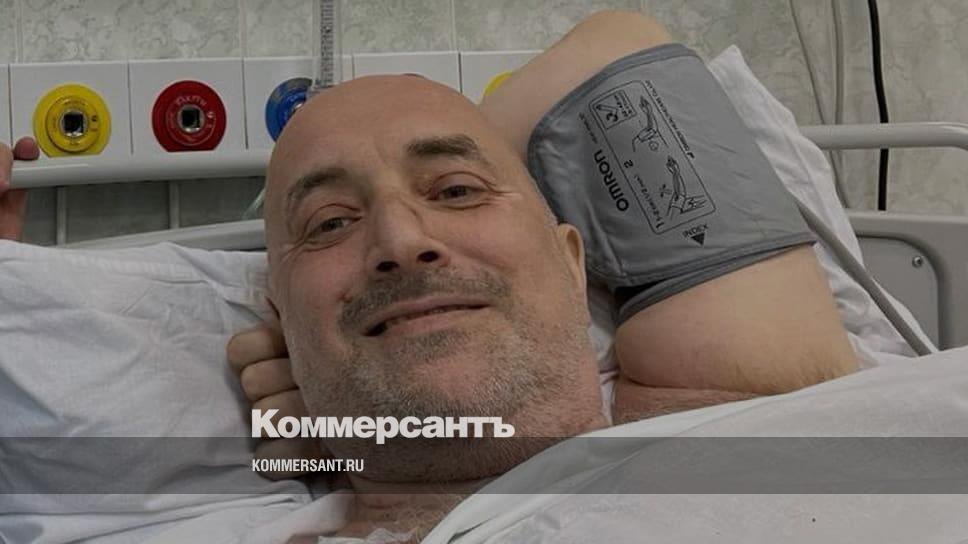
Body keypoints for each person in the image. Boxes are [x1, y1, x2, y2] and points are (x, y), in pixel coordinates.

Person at [1, 10, 858, 541]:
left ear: (572, 262)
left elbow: (619, 45)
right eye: (330, 223)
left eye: (455, 191)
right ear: (280, 320)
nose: (401, 240)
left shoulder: (752, 399)